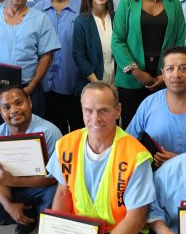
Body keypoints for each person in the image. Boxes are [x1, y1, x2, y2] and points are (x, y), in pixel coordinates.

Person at [47, 82, 157, 233]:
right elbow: (63, 193)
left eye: (103, 111)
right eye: (88, 111)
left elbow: (136, 219)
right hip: (78, 229)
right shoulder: (66, 145)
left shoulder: (136, 156)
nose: (95, 119)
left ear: (118, 111)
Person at [0, 86, 63, 234]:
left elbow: (54, 177)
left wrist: (14, 181)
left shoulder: (50, 132)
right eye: (6, 107)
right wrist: (9, 206)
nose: (14, 110)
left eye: (19, 103)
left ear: (30, 102)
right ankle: (24, 215)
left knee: (54, 197)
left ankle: (36, 214)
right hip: (10, 188)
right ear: (0, 112)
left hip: (41, 186)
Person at [113, 0, 186, 127]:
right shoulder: (126, 3)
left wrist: (164, 75)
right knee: (132, 131)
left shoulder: (174, 4)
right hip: (131, 81)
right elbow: (117, 41)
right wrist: (137, 73)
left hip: (165, 80)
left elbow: (179, 42)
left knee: (160, 130)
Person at [126, 47, 186, 166]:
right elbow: (127, 142)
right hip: (153, 179)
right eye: (170, 69)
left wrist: (181, 160)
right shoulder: (149, 104)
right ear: (163, 74)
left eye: (183, 68)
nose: (176, 74)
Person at [37, 0, 83, 133]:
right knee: (51, 133)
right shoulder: (37, 10)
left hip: (74, 84)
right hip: (43, 85)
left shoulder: (84, 9)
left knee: (78, 132)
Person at [72, 0, 116, 98]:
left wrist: (116, 84)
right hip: (91, 87)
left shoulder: (117, 17)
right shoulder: (81, 21)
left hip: (116, 86)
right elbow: (79, 57)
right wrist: (98, 84)